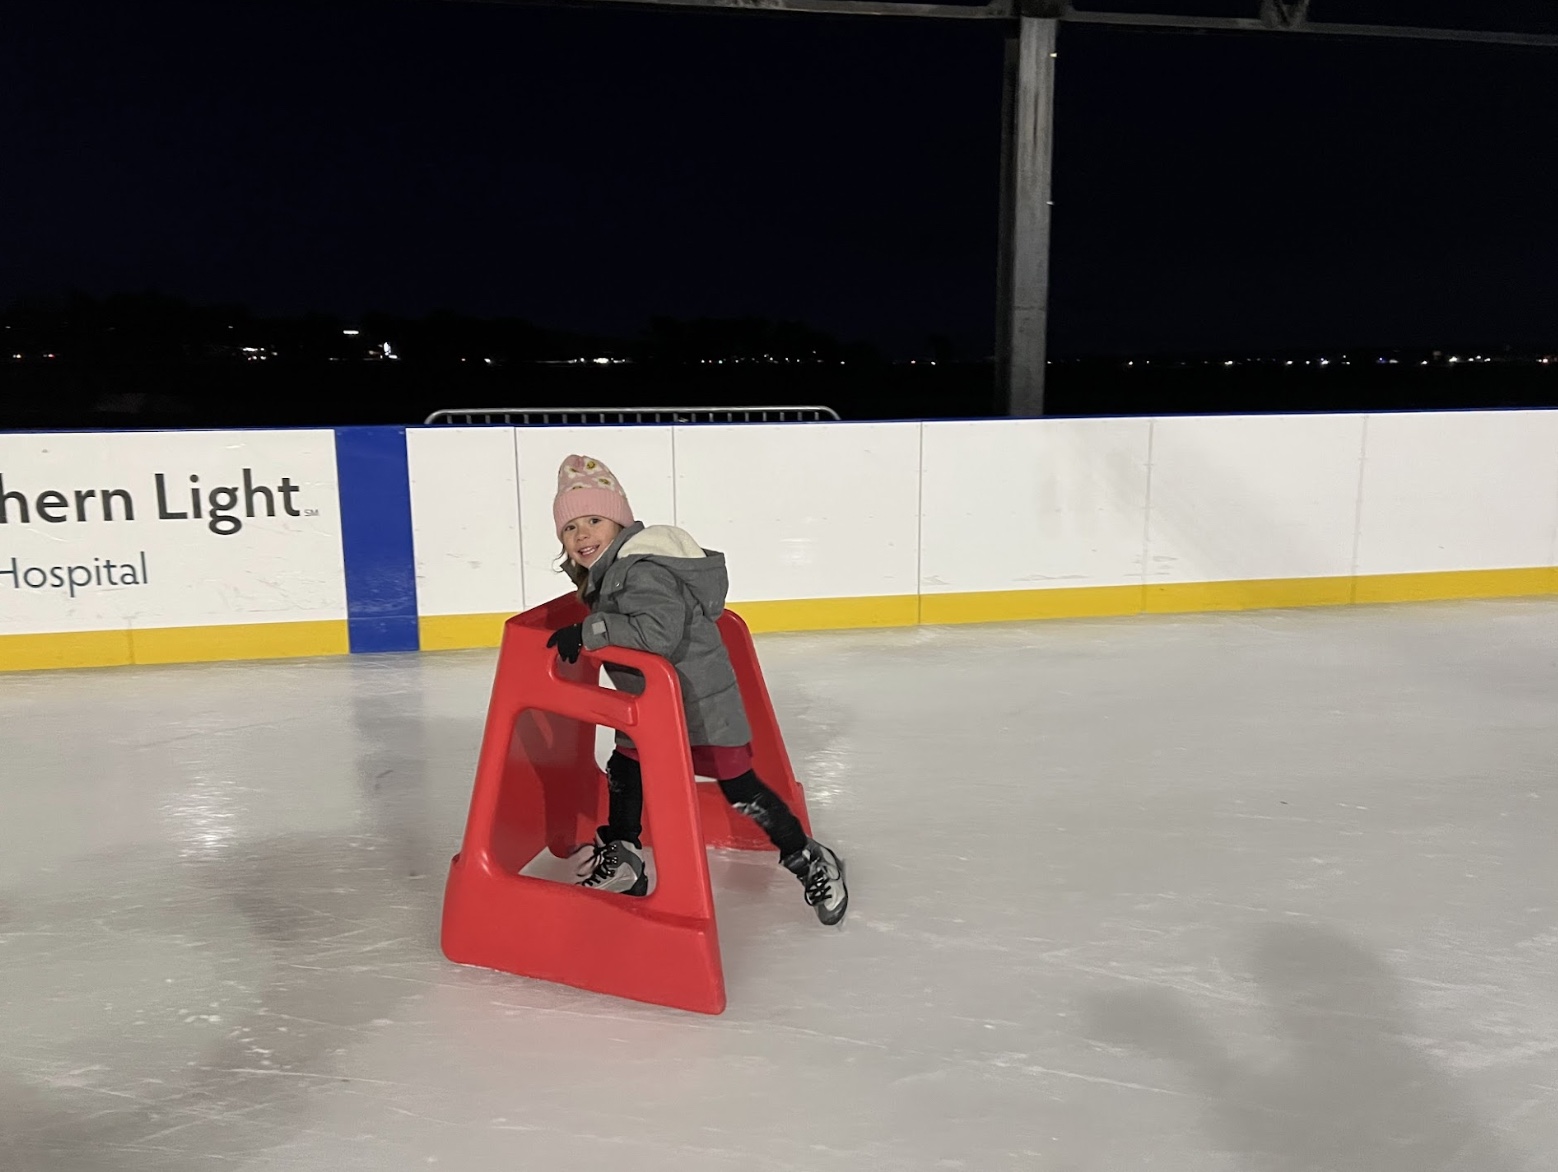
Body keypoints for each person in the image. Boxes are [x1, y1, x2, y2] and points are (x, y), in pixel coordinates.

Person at [543, 453, 848, 926]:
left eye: (594, 521)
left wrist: (590, 631)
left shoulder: (640, 569)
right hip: (654, 705)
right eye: (570, 528)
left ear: (619, 522)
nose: (582, 535)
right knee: (626, 766)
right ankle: (625, 855)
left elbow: (657, 633)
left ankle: (808, 857)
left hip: (701, 705)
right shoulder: (613, 571)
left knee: (740, 788)